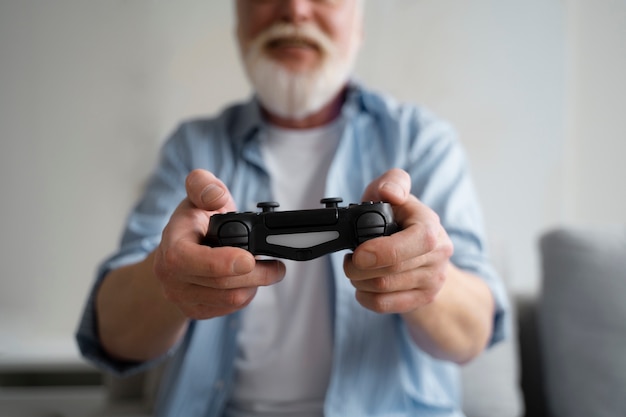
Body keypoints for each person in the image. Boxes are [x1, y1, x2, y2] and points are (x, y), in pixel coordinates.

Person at [77, 0, 509, 416]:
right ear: (239, 20)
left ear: (358, 24)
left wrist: (428, 277)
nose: (295, 9)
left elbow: (474, 333)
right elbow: (115, 336)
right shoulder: (194, 148)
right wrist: (168, 276)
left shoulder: (419, 141)